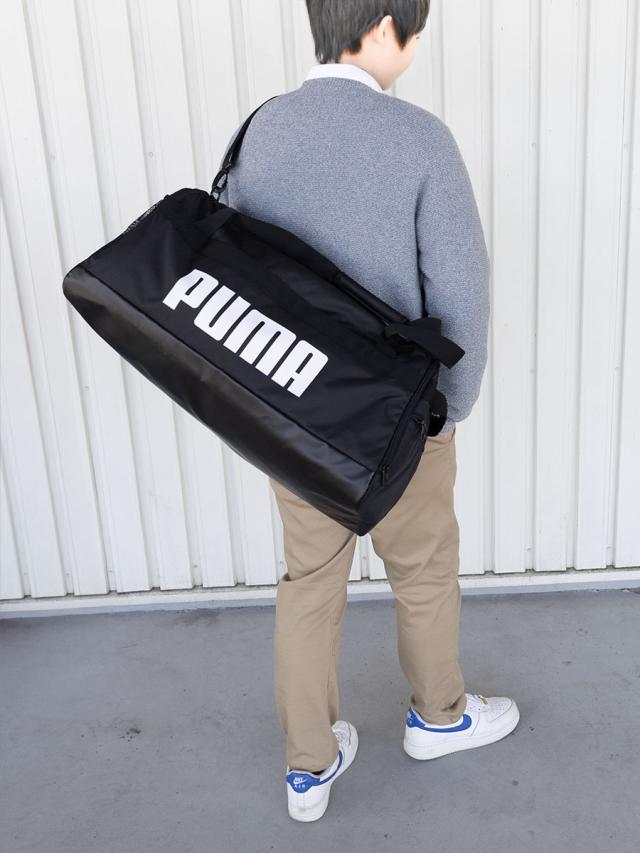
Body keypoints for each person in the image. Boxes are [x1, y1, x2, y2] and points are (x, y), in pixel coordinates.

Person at [216, 0, 519, 822]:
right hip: (401, 417)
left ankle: (308, 767)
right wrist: (453, 405)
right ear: (383, 27)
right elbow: (462, 291)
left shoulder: (260, 132)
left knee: (309, 581)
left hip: (292, 412)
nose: (415, 43)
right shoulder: (419, 140)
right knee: (423, 568)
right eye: (413, 29)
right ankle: (439, 717)